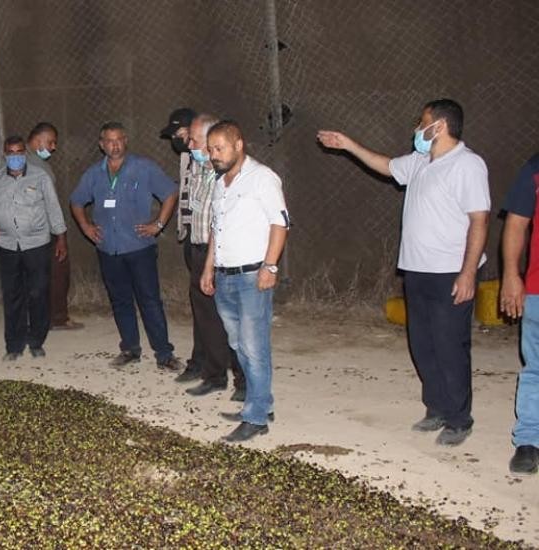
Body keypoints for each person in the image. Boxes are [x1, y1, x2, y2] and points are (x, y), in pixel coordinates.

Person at [317, 98, 490, 447]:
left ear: (439, 126)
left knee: (450, 346)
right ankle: (437, 408)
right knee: (423, 344)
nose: (417, 129)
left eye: (422, 122)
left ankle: (459, 419)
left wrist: (468, 273)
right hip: (417, 269)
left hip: (449, 272)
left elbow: (479, 220)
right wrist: (348, 145)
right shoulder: (421, 162)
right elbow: (385, 165)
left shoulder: (467, 165)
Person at [200, 120, 289, 442]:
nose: (214, 155)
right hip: (224, 275)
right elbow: (217, 229)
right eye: (211, 149)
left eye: (219, 148)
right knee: (238, 345)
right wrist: (208, 268)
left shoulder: (262, 178)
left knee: (254, 346)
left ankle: (255, 418)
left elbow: (280, 223)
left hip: (252, 276)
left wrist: (270, 267)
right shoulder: (219, 182)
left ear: (239, 145)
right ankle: (262, 403)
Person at [69, 121, 183, 371]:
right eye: (109, 141)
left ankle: (164, 353)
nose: (115, 145)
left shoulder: (143, 167)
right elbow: (76, 201)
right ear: (102, 145)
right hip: (108, 249)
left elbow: (170, 193)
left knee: (150, 300)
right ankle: (130, 349)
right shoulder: (94, 173)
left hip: (139, 247)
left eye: (119, 139)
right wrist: (86, 227)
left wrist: (158, 224)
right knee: (120, 300)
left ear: (126, 140)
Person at [164, 112, 247, 399]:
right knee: (207, 319)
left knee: (232, 320)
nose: (190, 146)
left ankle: (243, 380)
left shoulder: (229, 173)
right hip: (199, 249)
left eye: (195, 141)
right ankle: (214, 375)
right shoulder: (197, 167)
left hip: (224, 255)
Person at [0, 135, 68, 361]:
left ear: (24, 154)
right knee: (12, 295)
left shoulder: (40, 177)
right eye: (11, 153)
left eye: (19, 152)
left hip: (37, 243)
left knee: (38, 293)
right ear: (5, 155)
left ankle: (36, 341)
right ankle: (14, 345)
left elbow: (53, 208)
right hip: (8, 245)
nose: (15, 157)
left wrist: (61, 238)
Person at [499, 153, 539, 474]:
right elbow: (516, 223)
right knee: (536, 368)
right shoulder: (536, 167)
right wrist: (511, 275)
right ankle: (528, 441)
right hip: (538, 287)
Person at [26, 122, 84, 331]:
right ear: (38, 139)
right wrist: (60, 235)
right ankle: (57, 318)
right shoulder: (38, 167)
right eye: (50, 142)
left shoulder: (11, 161)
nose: (53, 147)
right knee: (58, 271)